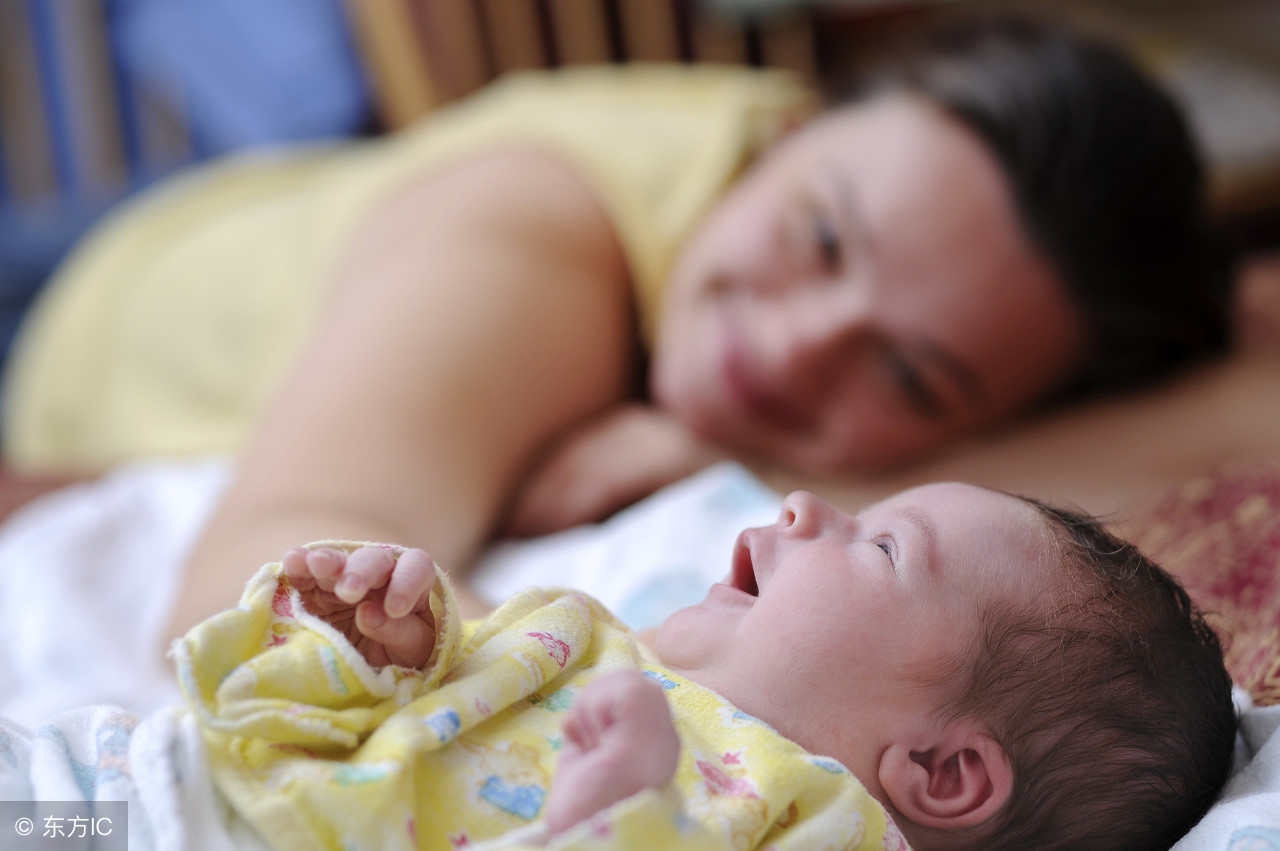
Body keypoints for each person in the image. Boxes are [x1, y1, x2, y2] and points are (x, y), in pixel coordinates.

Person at [0, 15, 1231, 636]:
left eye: (911, 376)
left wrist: (755, 466)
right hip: (63, 319)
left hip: (296, 230)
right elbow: (256, 588)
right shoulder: (524, 244)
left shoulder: (858, 176)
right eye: (819, 236)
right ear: (791, 128)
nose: (790, 347)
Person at [174, 483, 1237, 851]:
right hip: (143, 792)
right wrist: (385, 646)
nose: (803, 505)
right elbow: (403, 717)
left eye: (882, 547)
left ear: (942, 770)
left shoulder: (809, 822)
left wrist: (612, 816)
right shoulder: (591, 642)